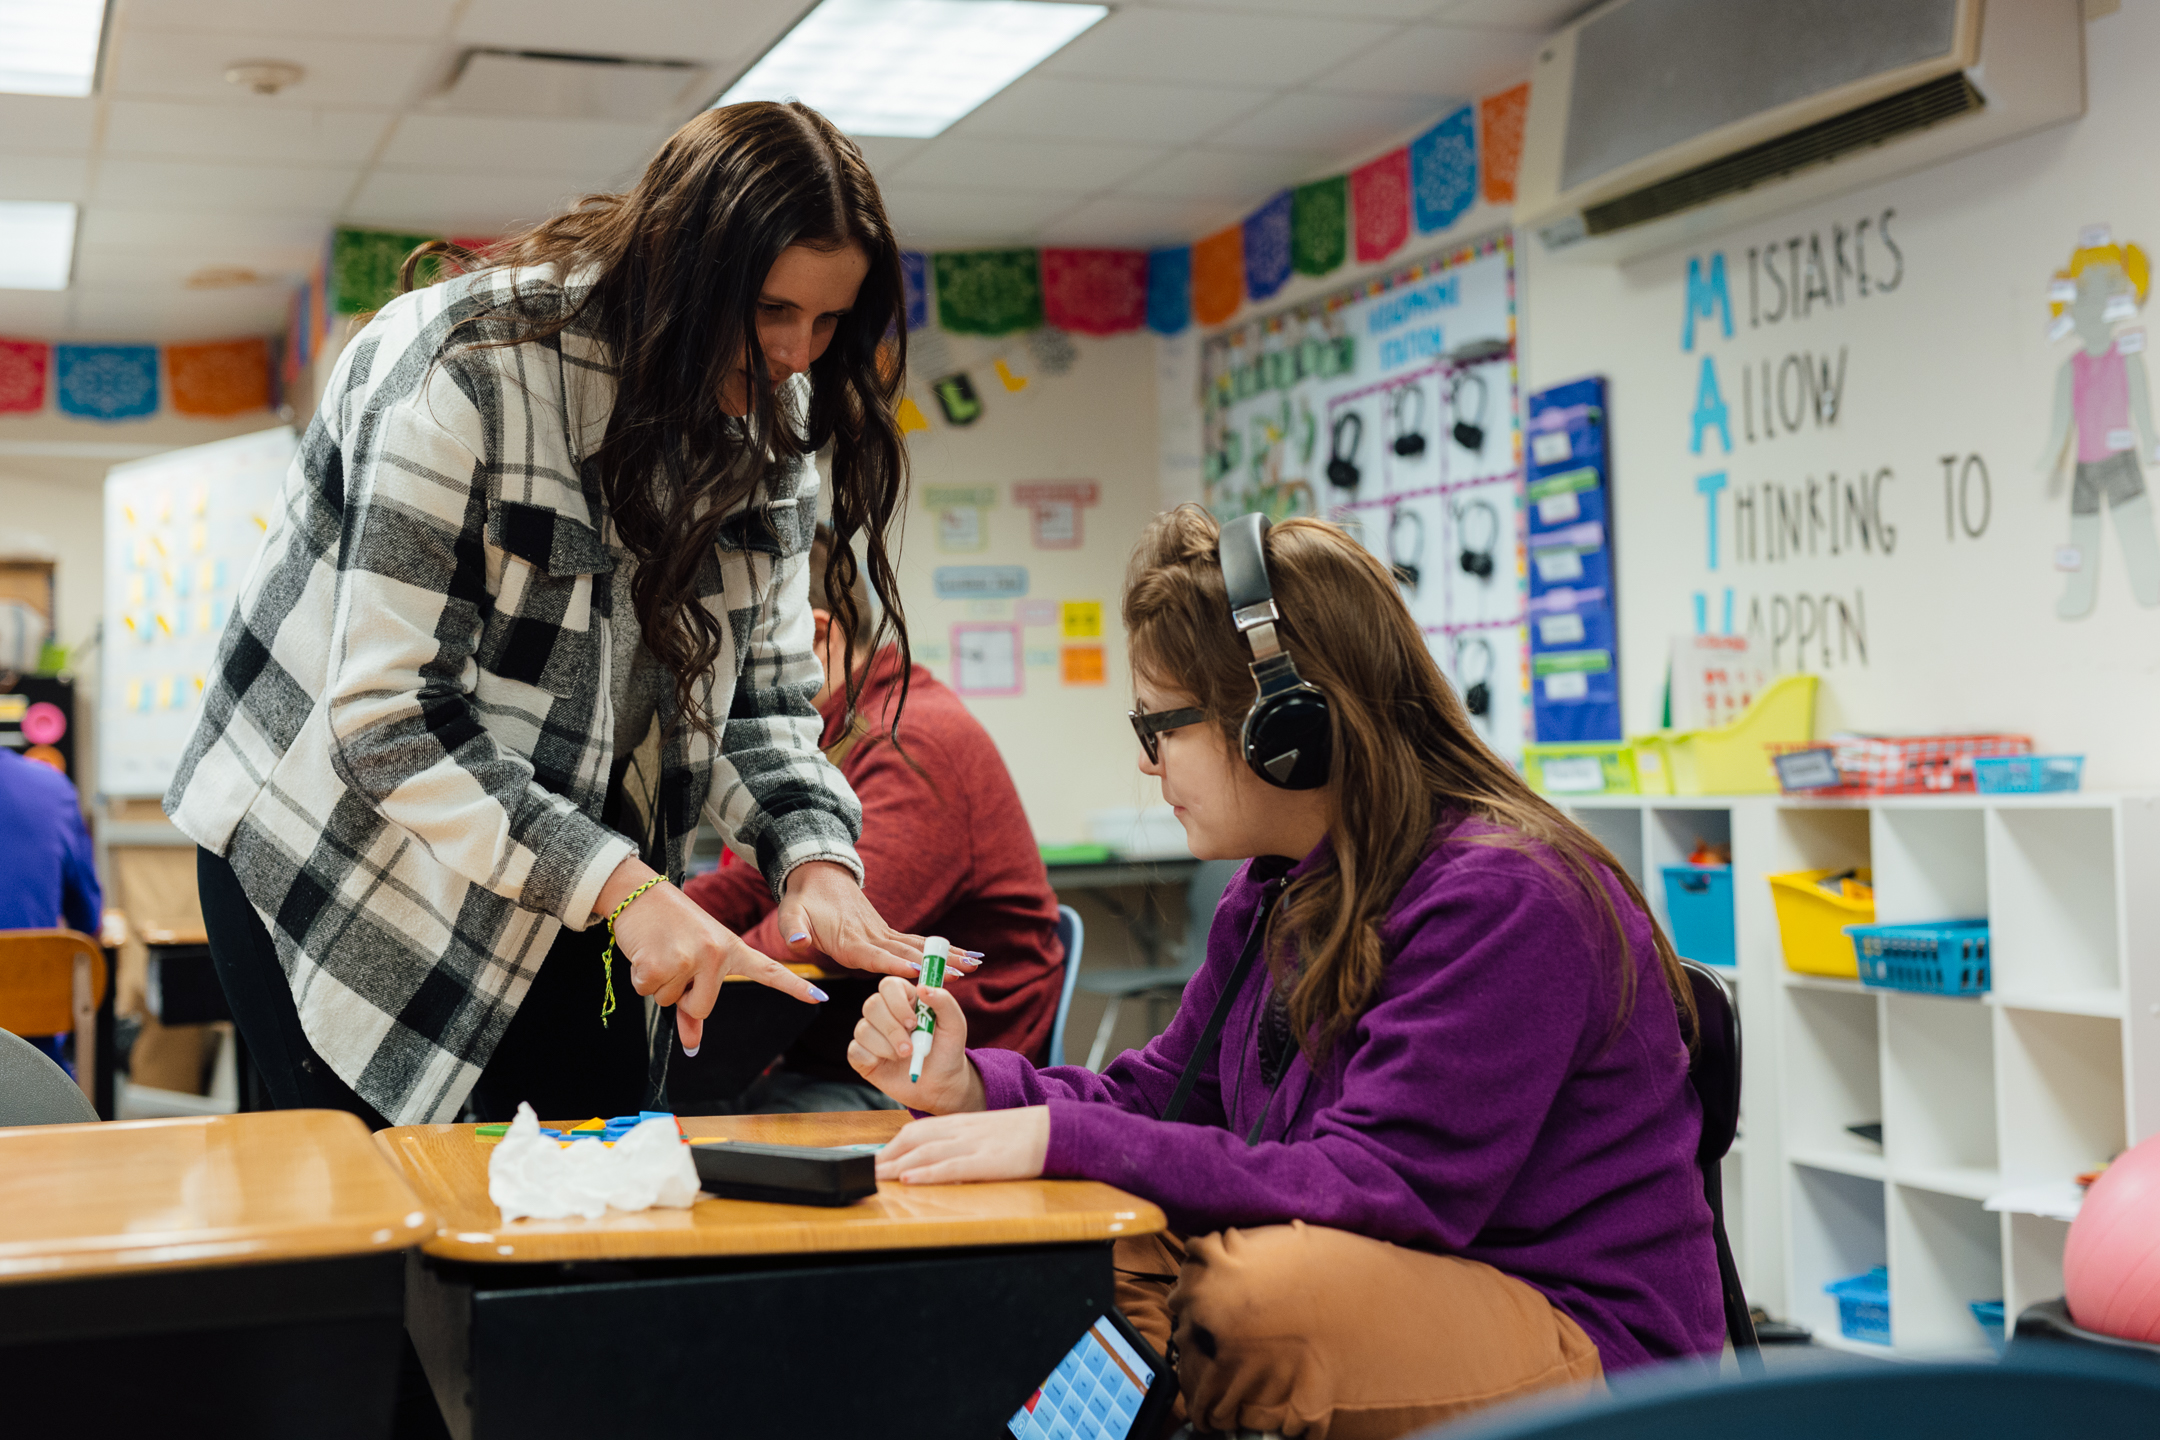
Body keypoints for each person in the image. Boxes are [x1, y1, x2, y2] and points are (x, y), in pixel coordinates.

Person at [166, 102, 972, 1129]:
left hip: (559, 858)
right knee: (410, 1225)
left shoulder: (778, 417)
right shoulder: (461, 372)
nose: (797, 355)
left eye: (828, 323)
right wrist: (629, 892)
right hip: (335, 852)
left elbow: (760, 700)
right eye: (773, 312)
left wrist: (812, 861)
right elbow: (387, 722)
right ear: (679, 270)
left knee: (594, 1194)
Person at [847, 507, 1723, 1437]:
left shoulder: (1510, 898)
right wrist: (983, 1089)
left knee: (1255, 1304)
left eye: (1161, 727)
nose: (1146, 764)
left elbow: (1383, 1188)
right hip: (1393, 1278)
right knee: (1061, 1251)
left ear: (1284, 724)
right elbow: (1168, 1098)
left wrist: (1057, 1139)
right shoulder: (1276, 891)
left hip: (1580, 1335)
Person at [682, 525, 1064, 1110]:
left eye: (730, 661)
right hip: (851, 1055)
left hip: (937, 1077)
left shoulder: (914, 743)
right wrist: (653, 912)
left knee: (690, 1126)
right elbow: (763, 885)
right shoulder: (844, 735)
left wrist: (704, 960)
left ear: (815, 639)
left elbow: (829, 933)